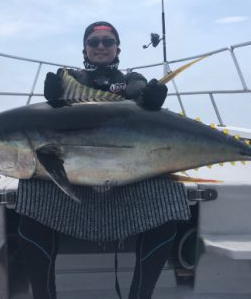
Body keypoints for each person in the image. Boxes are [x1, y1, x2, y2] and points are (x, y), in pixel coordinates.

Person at [15, 21, 190, 299]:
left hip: (125, 173)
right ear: (84, 48)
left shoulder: (132, 79)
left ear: (117, 48)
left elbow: (138, 92)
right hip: (78, 174)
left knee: (168, 203)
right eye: (93, 42)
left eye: (107, 42)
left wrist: (148, 98)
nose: (100, 47)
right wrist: (54, 97)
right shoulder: (69, 79)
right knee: (30, 204)